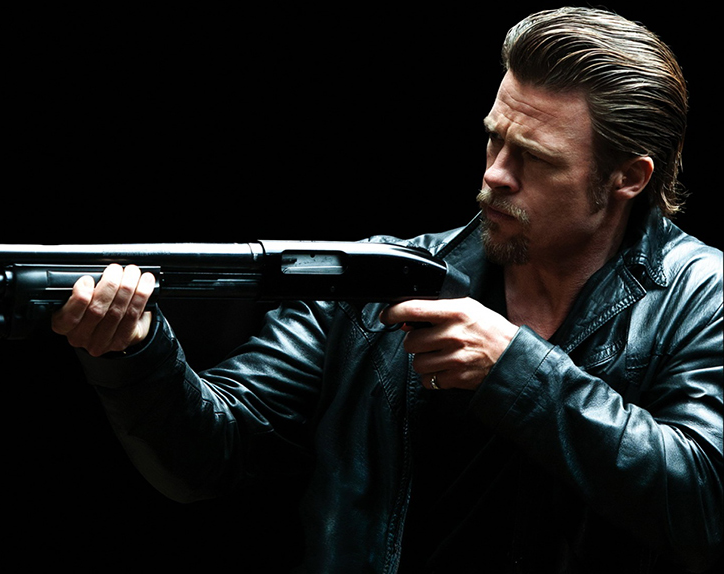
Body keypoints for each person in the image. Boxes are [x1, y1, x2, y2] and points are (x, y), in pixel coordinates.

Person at [51, 7, 722, 572]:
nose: (495, 174)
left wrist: (514, 368)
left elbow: (705, 505)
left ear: (627, 178)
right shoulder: (377, 280)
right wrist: (136, 353)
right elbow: (211, 457)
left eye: (536, 159)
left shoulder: (701, 296)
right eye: (493, 141)